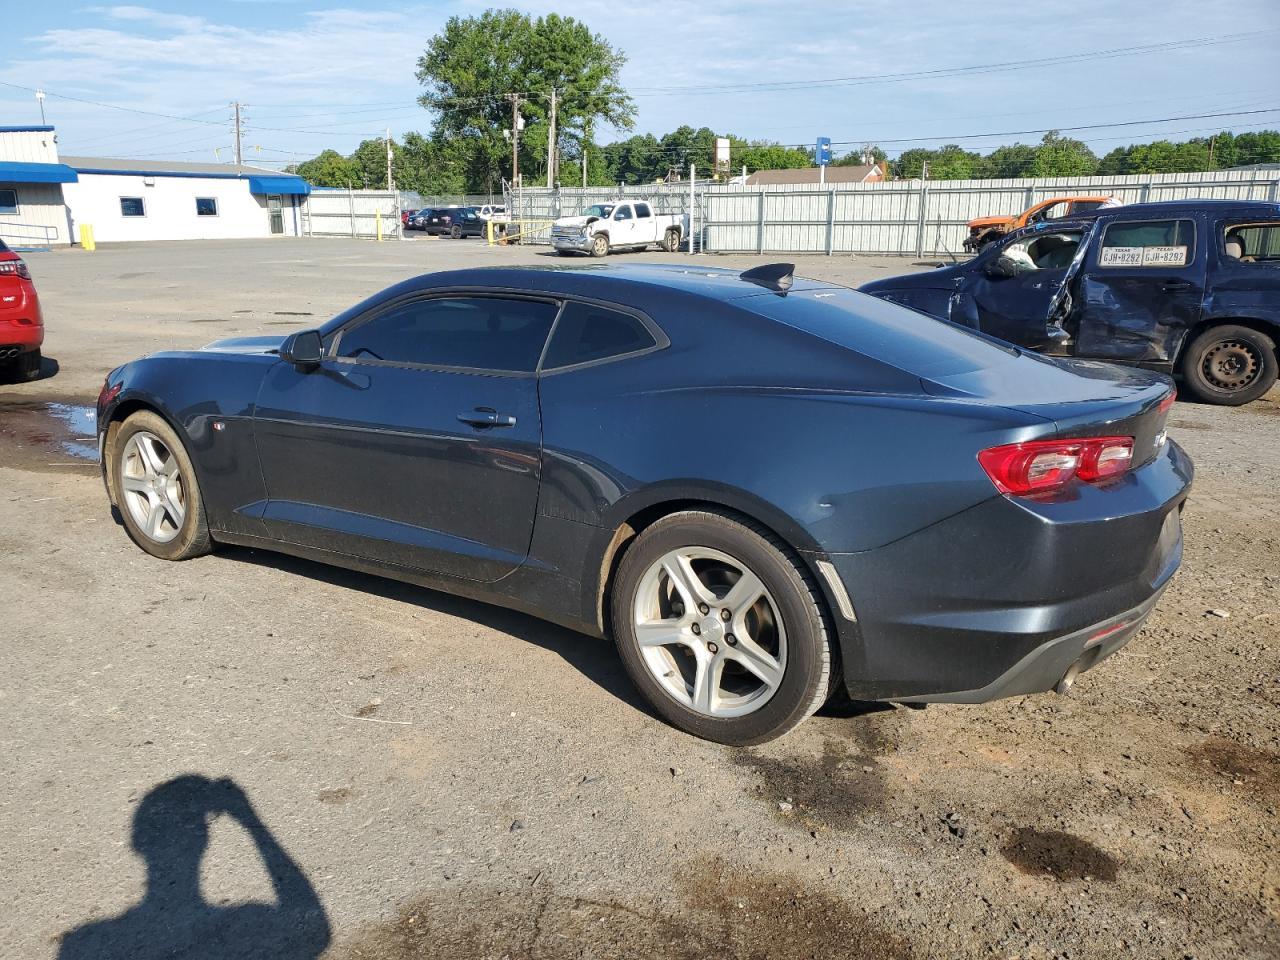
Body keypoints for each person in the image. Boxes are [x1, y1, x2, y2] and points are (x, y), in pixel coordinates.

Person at [58, 776, 331, 960]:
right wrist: (250, 822)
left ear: (137, 844)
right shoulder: (250, 925)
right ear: (205, 840)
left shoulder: (83, 944)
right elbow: (317, 931)